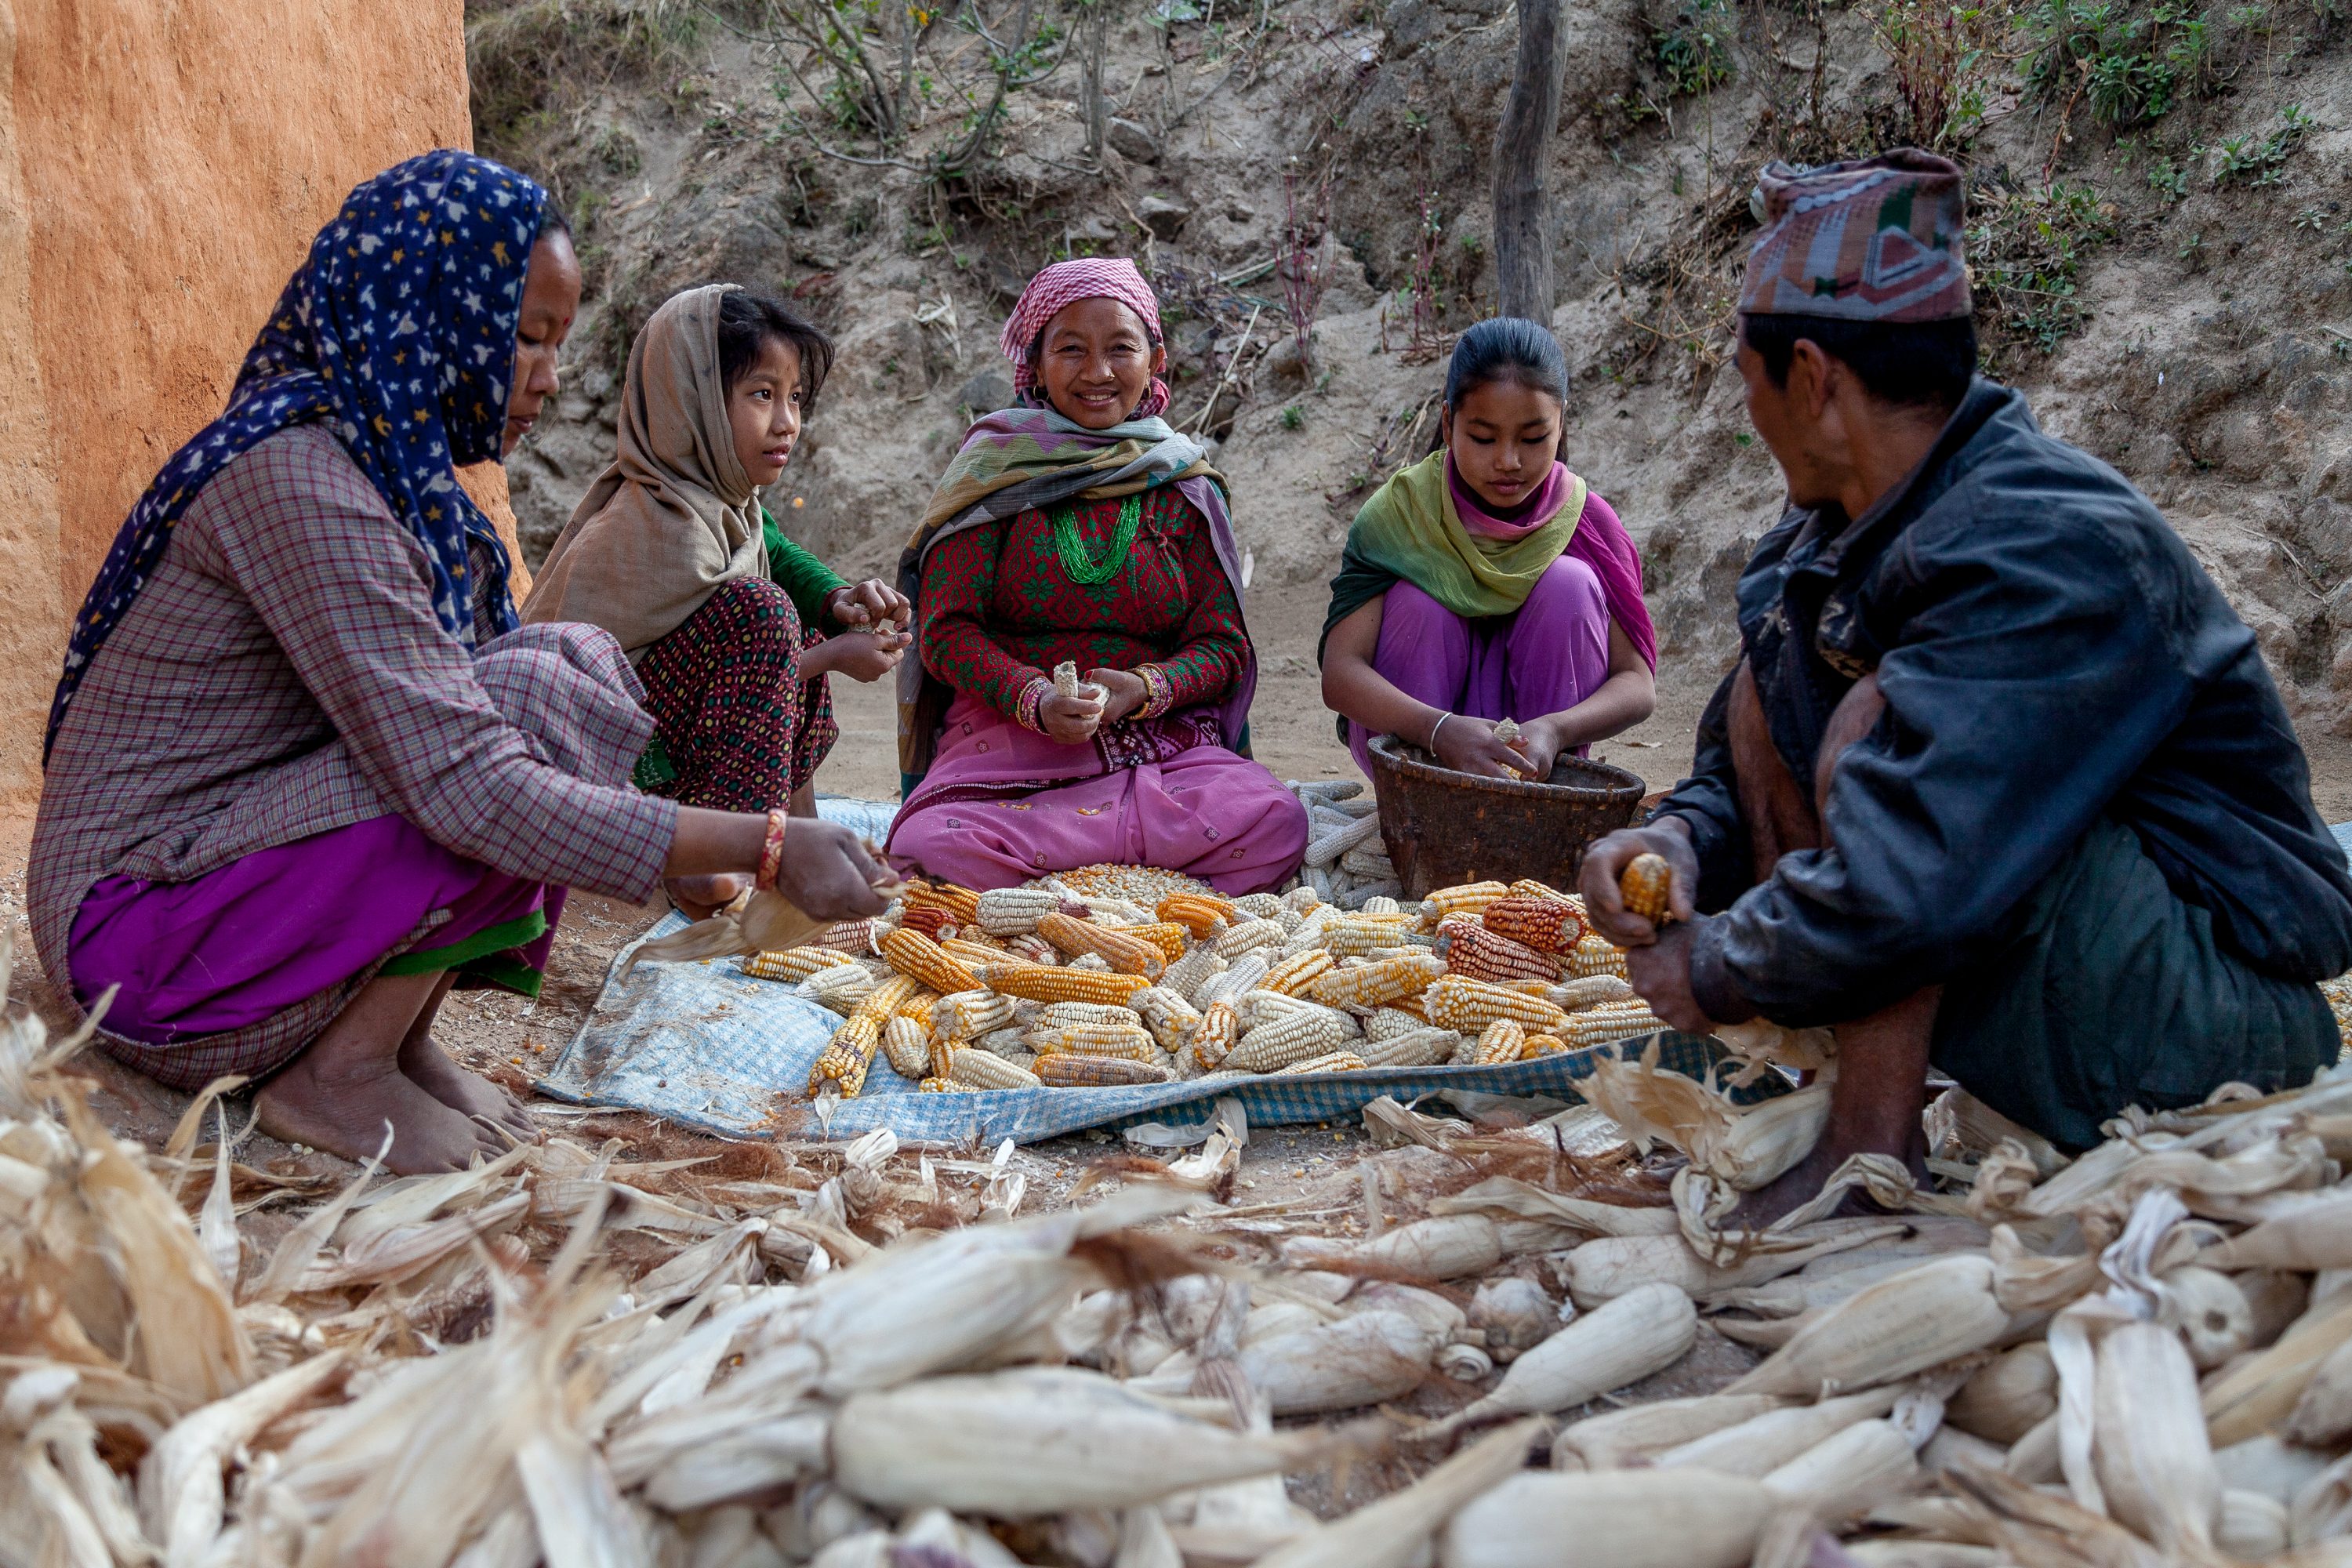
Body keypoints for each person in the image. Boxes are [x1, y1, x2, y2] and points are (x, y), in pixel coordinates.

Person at [29, 151, 891, 1175]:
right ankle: (337, 1073)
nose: (548, 376)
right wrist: (768, 843)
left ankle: (390, 1039)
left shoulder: (400, 487)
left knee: (560, 672)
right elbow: (466, 782)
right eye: (524, 338)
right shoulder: (297, 484)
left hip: (228, 887)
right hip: (142, 947)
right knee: (522, 711)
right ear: (427, 313)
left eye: (557, 344)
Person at [1578, 151, 2352, 1216]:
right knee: (1788, 688)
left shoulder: (2045, 544)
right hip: (2048, 975)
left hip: (2210, 1020)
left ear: (1811, 377)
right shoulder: (1829, 540)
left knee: (1878, 720)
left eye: (1746, 377)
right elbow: (1740, 758)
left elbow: (1921, 868)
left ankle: (1866, 1147)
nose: (1746, 404)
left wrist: (1717, 965)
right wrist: (1676, 842)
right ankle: (1849, 1107)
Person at [884, 258, 1307, 891]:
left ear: (1155, 358)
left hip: (1160, 745)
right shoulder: (993, 472)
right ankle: (1143, 880)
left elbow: (1223, 646)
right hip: (1009, 740)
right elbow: (946, 632)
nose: (1098, 373)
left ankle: (1064, 887)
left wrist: (1148, 686)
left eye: (1121, 349)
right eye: (1072, 350)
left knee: (1277, 820)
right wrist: (1035, 699)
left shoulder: (1182, 484)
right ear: (1036, 362)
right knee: (931, 846)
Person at [523, 285, 909, 914]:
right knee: (765, 616)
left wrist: (839, 600)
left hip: (666, 742)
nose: (786, 422)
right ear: (692, 400)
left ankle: (791, 826)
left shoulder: (721, 505)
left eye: (795, 399)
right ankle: (718, 859)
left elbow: (777, 549)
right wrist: (835, 653)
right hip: (611, 772)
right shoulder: (650, 525)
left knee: (789, 617)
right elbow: (622, 696)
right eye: (762, 395)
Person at [1320, 318, 1657, 782]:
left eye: (1534, 438)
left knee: (1570, 585)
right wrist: (1438, 729)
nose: (1508, 461)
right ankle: (1421, 794)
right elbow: (1340, 674)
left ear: (1561, 424)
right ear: (1448, 422)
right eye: (1482, 438)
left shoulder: (1589, 522)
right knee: (1418, 602)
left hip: (1538, 757)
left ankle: (1544, 800)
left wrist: (1555, 730)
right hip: (1419, 741)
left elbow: (1637, 684)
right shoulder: (1400, 515)